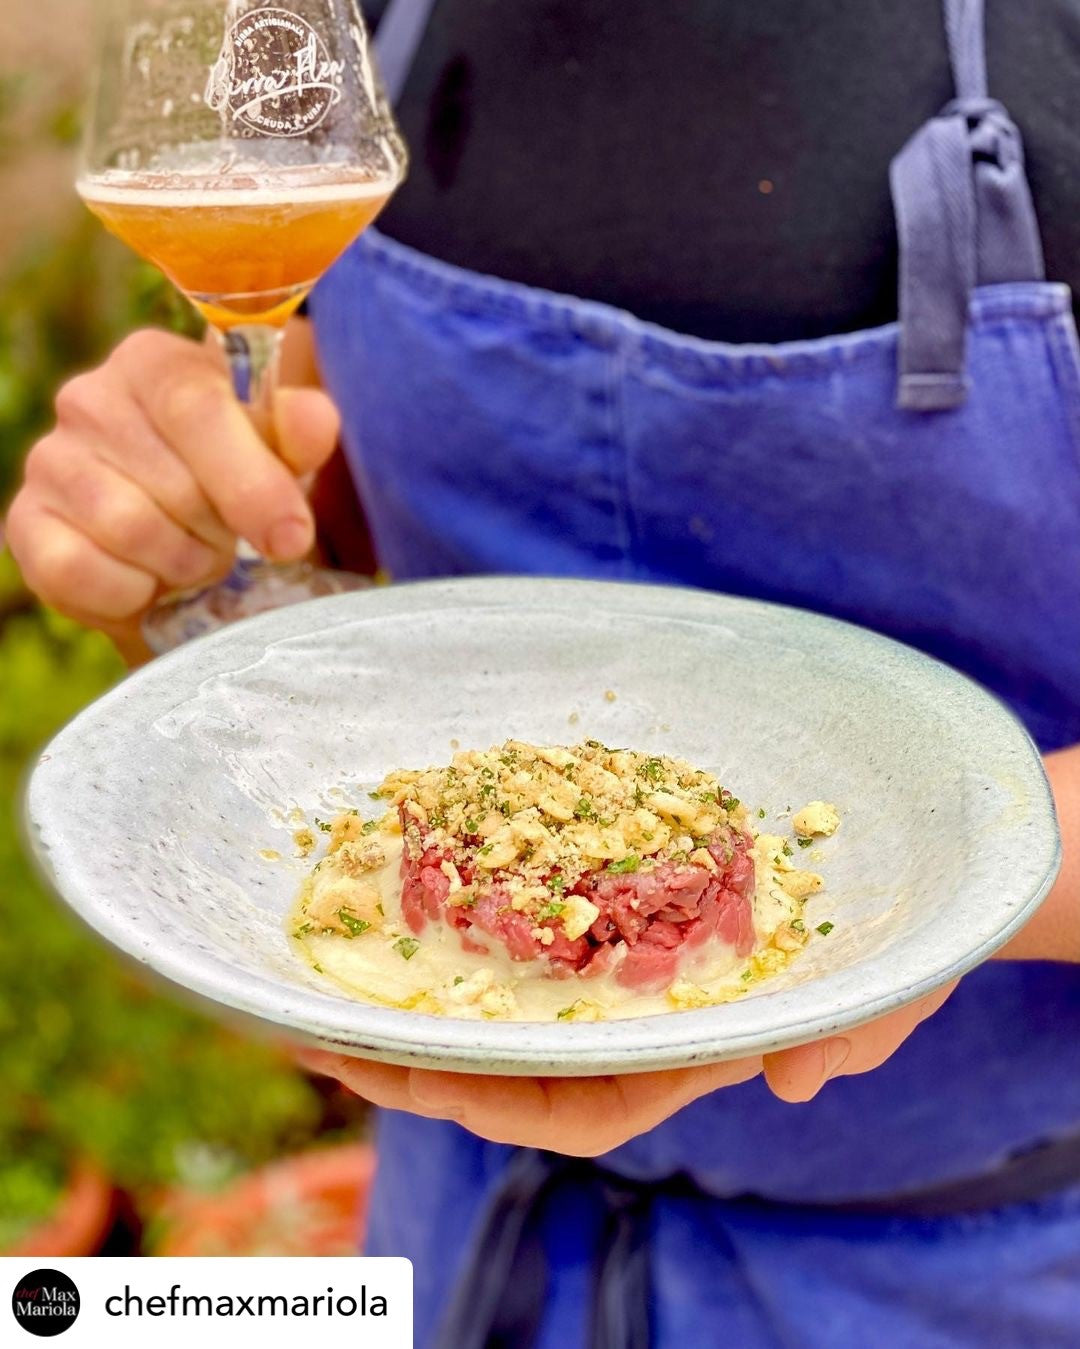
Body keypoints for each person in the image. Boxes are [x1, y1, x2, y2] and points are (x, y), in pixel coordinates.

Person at [8, 0, 1080, 1342]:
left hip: (966, 1269)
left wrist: (950, 877)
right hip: (464, 1216)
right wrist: (186, 550)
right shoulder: (374, 31)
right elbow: (349, 566)